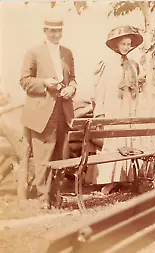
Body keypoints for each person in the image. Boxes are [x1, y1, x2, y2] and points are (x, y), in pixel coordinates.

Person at [19, 18, 77, 205]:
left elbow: (73, 79)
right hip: (42, 112)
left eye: (59, 31)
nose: (56, 35)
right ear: (45, 31)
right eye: (52, 31)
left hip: (63, 110)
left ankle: (56, 197)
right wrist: (44, 82)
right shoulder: (33, 52)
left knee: (60, 155)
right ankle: (43, 199)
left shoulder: (67, 53)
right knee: (43, 155)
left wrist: (72, 89)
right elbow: (25, 81)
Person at [87, 25, 145, 193]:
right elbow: (100, 88)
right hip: (113, 108)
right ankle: (109, 179)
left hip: (128, 108)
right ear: (116, 45)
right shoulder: (107, 64)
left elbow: (136, 88)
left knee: (127, 140)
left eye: (129, 44)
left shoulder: (134, 65)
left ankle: (126, 177)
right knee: (112, 142)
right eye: (123, 44)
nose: (126, 47)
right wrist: (101, 111)